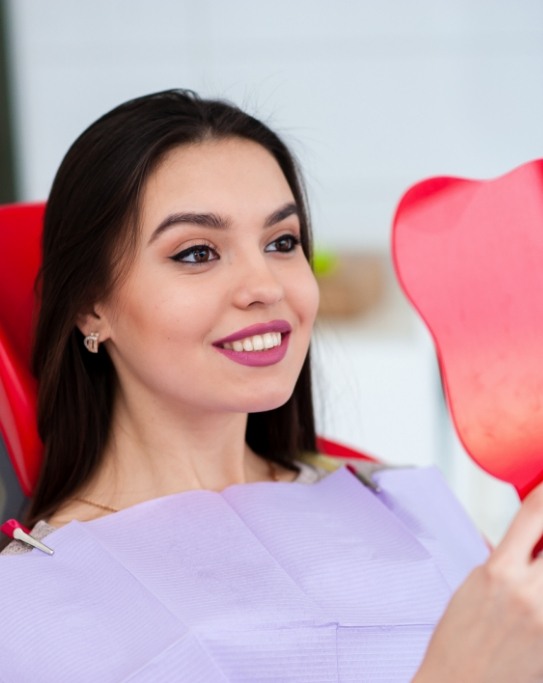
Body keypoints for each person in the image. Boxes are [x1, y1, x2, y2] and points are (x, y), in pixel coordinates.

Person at [1, 89, 543, 682]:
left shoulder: (404, 501)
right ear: (90, 306)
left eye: (281, 242)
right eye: (197, 252)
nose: (265, 285)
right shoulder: (30, 605)